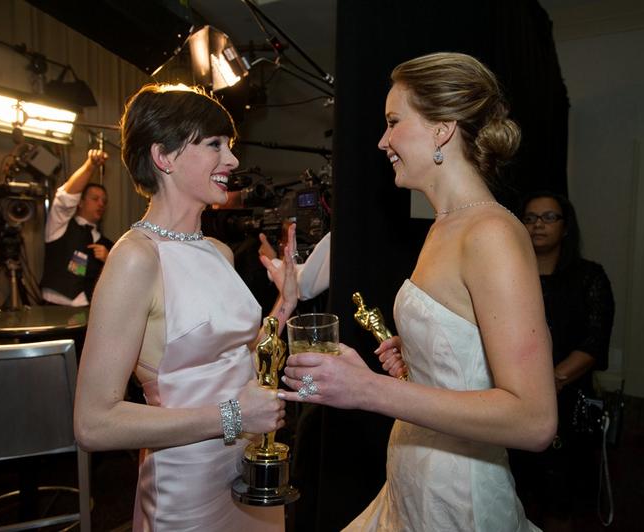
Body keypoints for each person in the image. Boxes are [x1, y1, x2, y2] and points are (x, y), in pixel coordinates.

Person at [277, 52, 557, 531]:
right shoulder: (444, 225)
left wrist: (369, 389)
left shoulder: (491, 233)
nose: (383, 140)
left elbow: (533, 421)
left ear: (442, 128)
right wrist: (416, 360)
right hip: (411, 478)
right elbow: (466, 362)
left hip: (458, 498)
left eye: (393, 121)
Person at [73, 83, 299, 531]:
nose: (232, 160)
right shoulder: (137, 258)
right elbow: (93, 423)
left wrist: (284, 304)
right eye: (215, 144)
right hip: (189, 488)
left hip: (249, 470)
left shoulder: (218, 252)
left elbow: (237, 360)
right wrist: (235, 415)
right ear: (165, 157)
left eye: (229, 145)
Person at [509, 191, 615, 530]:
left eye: (549, 217)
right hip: (512, 397)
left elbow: (595, 342)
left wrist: (550, 381)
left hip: (568, 400)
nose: (538, 224)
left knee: (560, 496)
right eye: (530, 217)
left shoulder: (590, 277)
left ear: (566, 227)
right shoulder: (507, 275)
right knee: (515, 492)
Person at [40, 149, 112, 306]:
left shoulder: (108, 245)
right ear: (80, 202)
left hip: (87, 313)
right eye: (95, 199)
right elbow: (63, 200)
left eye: (104, 201)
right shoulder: (59, 226)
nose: (101, 204)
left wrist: (109, 261)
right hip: (53, 310)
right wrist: (90, 166)